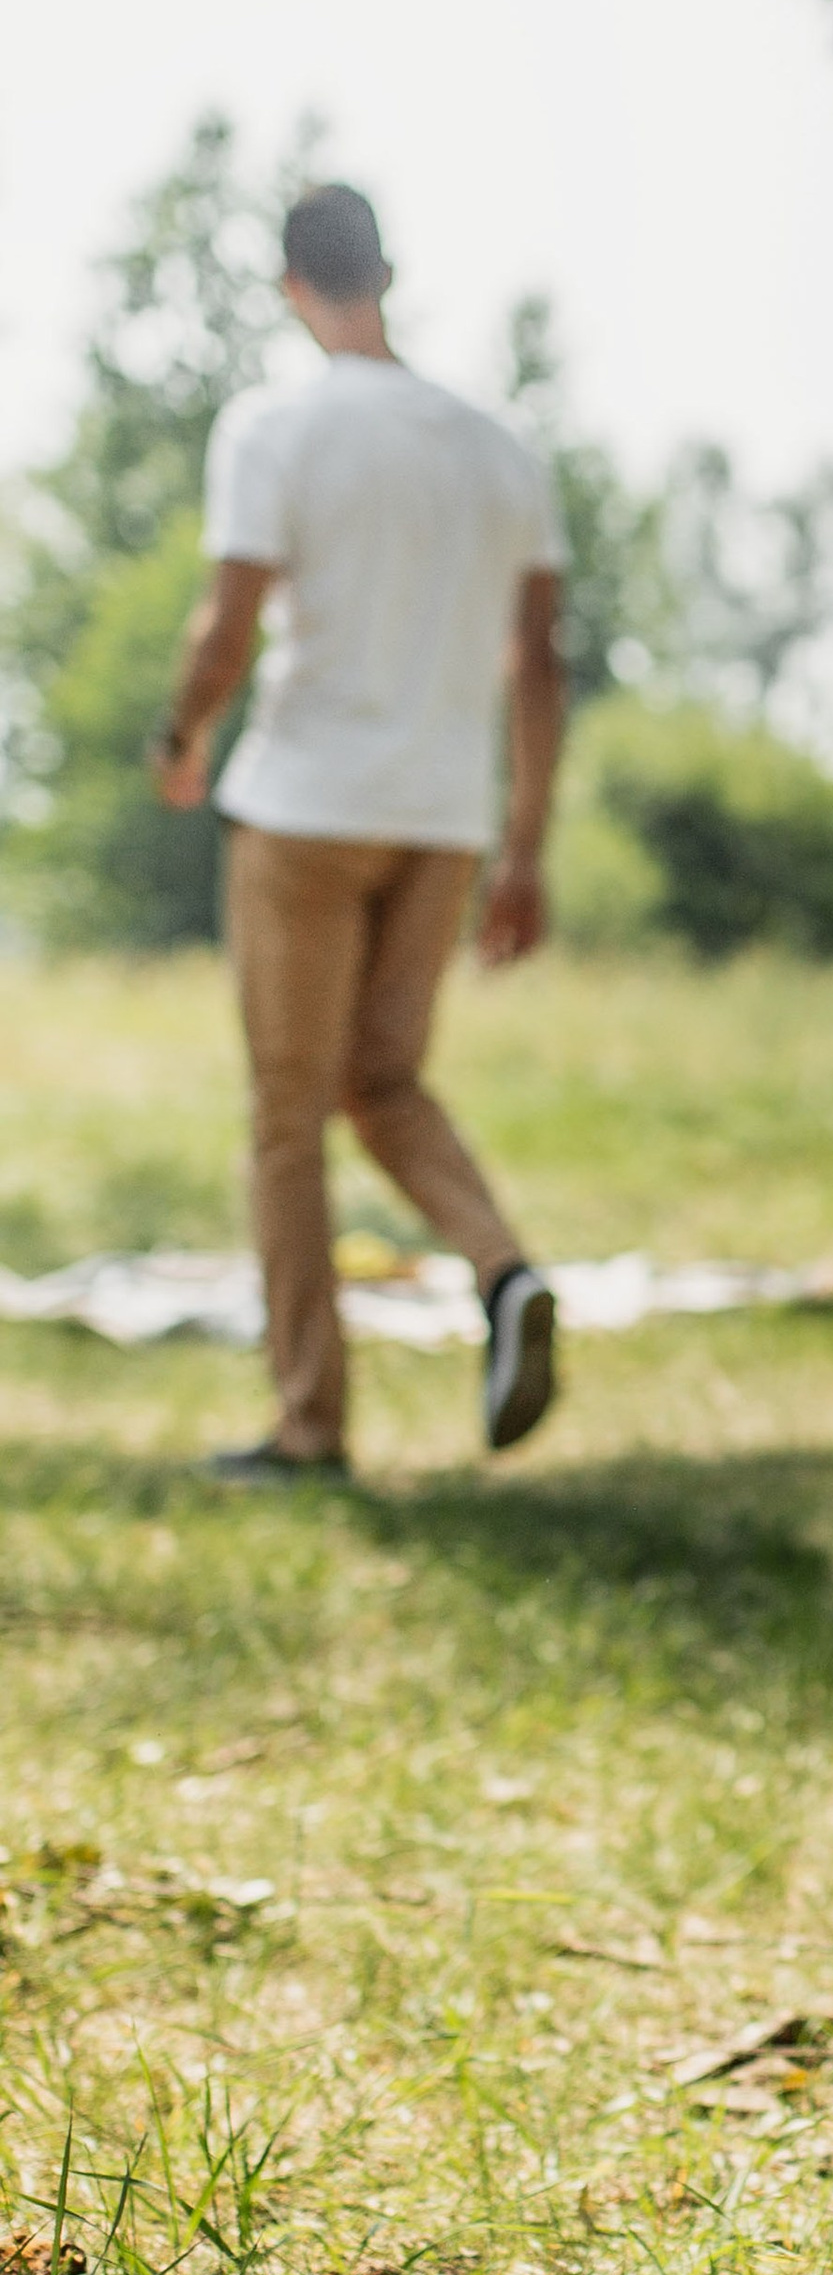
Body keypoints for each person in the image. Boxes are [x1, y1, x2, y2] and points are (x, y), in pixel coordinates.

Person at [150, 182, 568, 1485]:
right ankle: (504, 1272)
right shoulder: (497, 450)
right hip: (441, 822)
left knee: (289, 1118)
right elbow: (540, 662)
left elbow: (228, 623)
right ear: (386, 275)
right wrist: (524, 847)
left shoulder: (276, 425)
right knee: (383, 1082)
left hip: (306, 812)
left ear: (293, 287)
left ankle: (309, 1424)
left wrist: (179, 735)